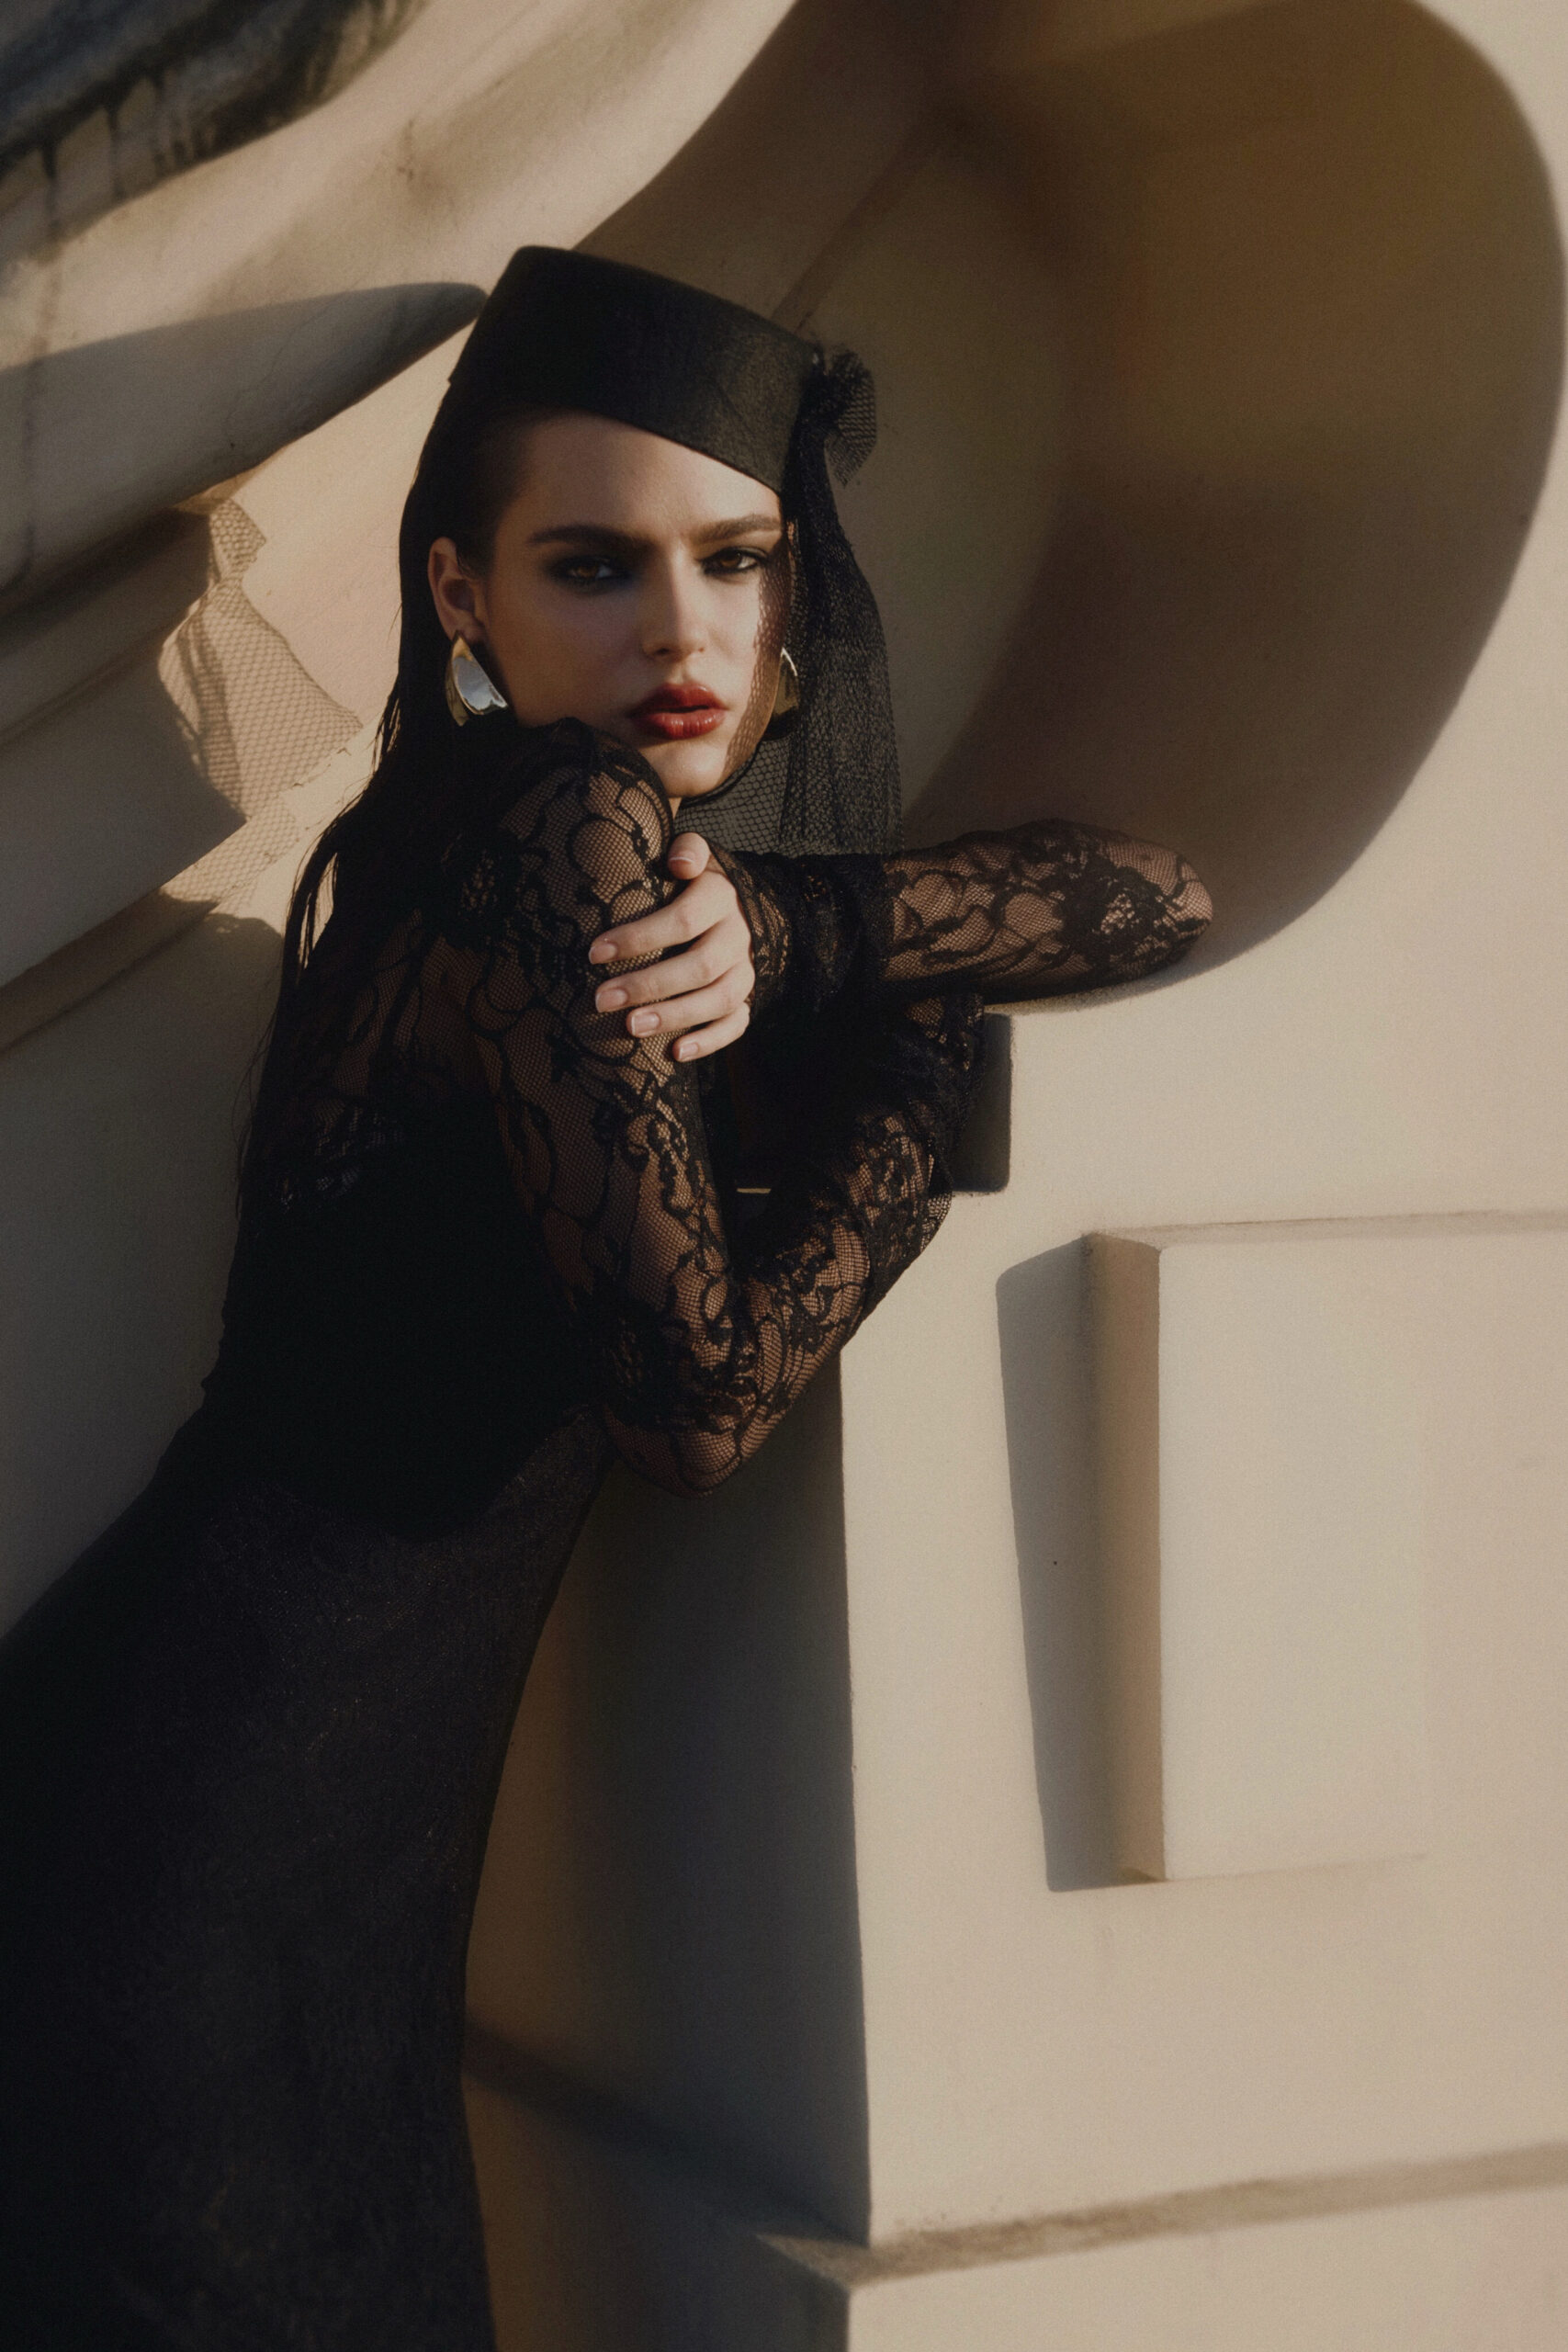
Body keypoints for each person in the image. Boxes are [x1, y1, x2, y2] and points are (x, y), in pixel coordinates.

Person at [0, 248, 1209, 2348]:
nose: (682, 631)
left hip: (225, 1823)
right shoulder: (561, 833)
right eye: (592, 565)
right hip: (208, 1879)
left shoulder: (446, 834)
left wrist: (798, 927)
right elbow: (696, 1400)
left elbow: (1157, 893)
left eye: (736, 559)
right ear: (460, 593)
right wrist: (900, 1117)